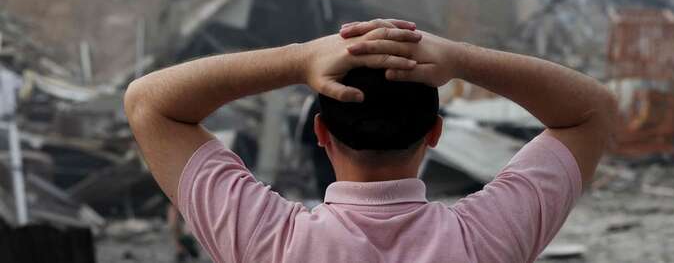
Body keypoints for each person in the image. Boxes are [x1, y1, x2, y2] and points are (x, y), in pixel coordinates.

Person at [125, 18, 616, 263]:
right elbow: (591, 111)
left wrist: (299, 59)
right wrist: (459, 57)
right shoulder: (484, 239)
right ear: (436, 134)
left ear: (319, 133)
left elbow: (149, 102)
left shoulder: (272, 241)